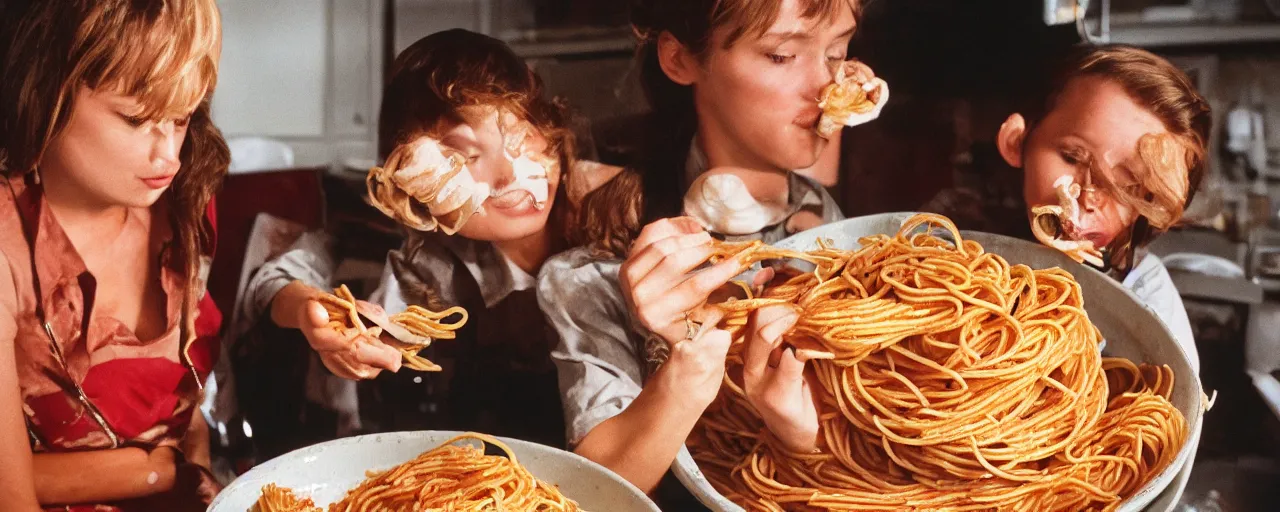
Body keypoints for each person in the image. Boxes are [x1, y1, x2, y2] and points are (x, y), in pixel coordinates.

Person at [538, 0, 874, 497]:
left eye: (837, 52)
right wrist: (689, 359)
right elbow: (594, 495)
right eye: (782, 56)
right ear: (679, 60)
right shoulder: (603, 262)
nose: (827, 89)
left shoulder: (853, 242)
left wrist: (809, 440)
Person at [245, 29, 620, 448]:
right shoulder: (410, 237)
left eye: (522, 135)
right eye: (466, 156)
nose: (512, 173)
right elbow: (270, 283)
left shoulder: (615, 208)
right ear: (408, 185)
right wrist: (311, 314)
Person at [0, 1, 230, 510]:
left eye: (182, 118)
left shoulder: (186, 201)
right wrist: (149, 471)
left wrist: (182, 474)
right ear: (46, 87)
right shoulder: (7, 243)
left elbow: (191, 420)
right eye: (136, 119)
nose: (167, 155)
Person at [923, 44, 1211, 371]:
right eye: (1073, 157)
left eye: (1131, 189)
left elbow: (1175, 411)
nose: (1089, 197)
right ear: (1017, 141)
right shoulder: (946, 232)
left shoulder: (1144, 291)